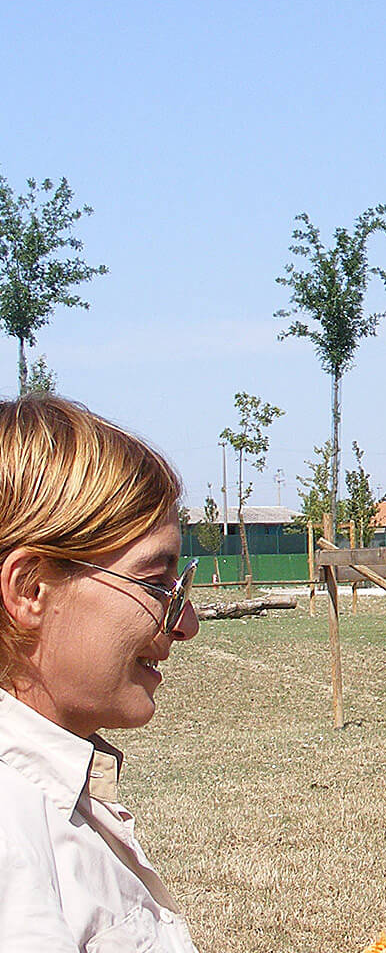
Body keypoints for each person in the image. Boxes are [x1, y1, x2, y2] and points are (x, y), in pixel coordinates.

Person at [0, 394, 201, 951]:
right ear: (31, 590)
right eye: (158, 584)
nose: (186, 623)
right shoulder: (13, 849)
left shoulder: (53, 795)